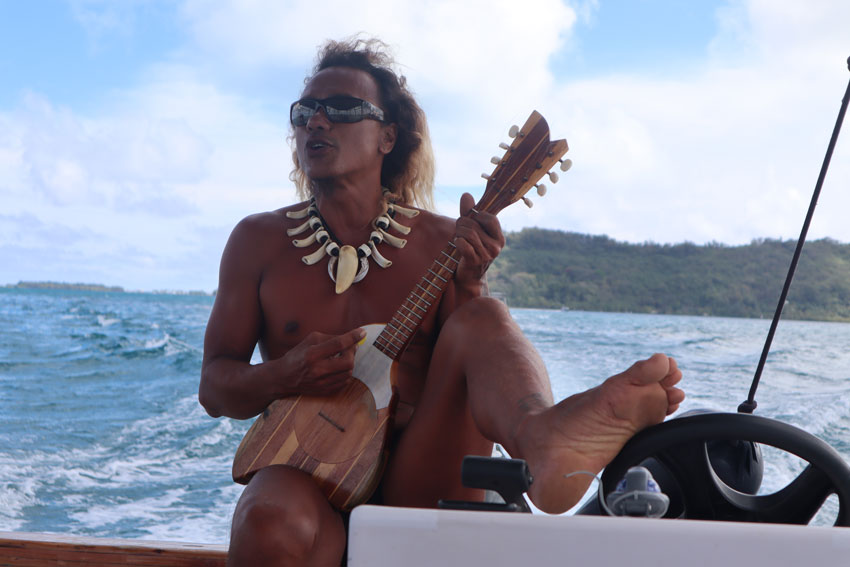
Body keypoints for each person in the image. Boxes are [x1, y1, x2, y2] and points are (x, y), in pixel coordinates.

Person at [199, 37, 685, 567]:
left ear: (388, 137)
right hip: (304, 470)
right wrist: (285, 374)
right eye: (305, 112)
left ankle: (544, 441)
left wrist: (468, 284)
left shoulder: (440, 241)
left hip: (420, 470)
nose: (316, 121)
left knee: (483, 315)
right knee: (264, 519)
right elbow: (215, 388)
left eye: (340, 109)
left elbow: (464, 378)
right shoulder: (257, 241)